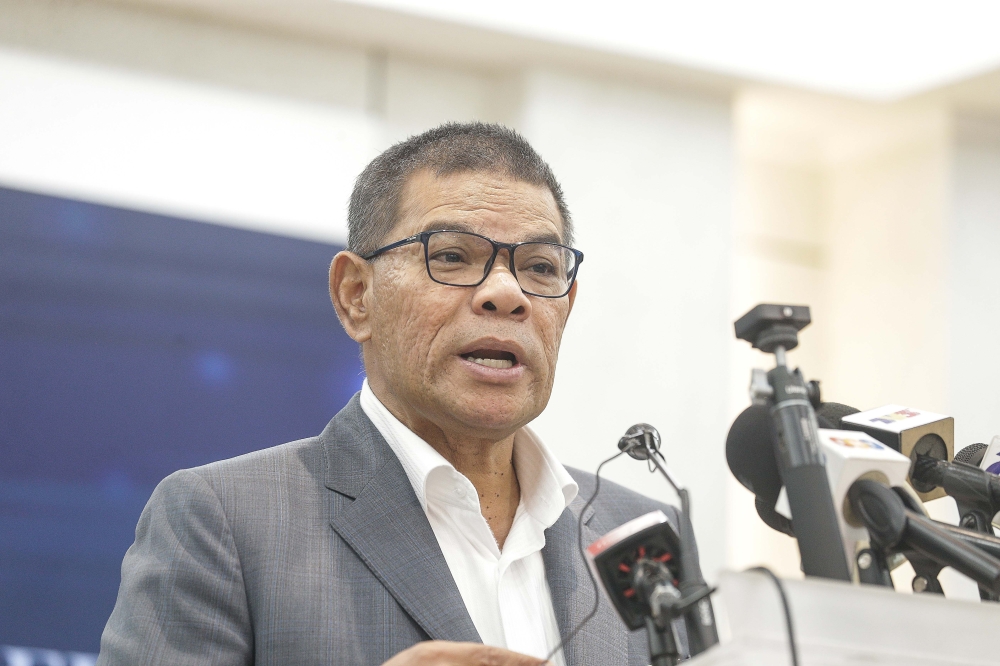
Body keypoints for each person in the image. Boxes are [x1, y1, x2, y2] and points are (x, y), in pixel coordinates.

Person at [97, 123, 698, 665]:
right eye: (453, 256)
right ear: (356, 295)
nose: (507, 294)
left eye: (540, 267)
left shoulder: (641, 534)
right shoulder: (224, 521)